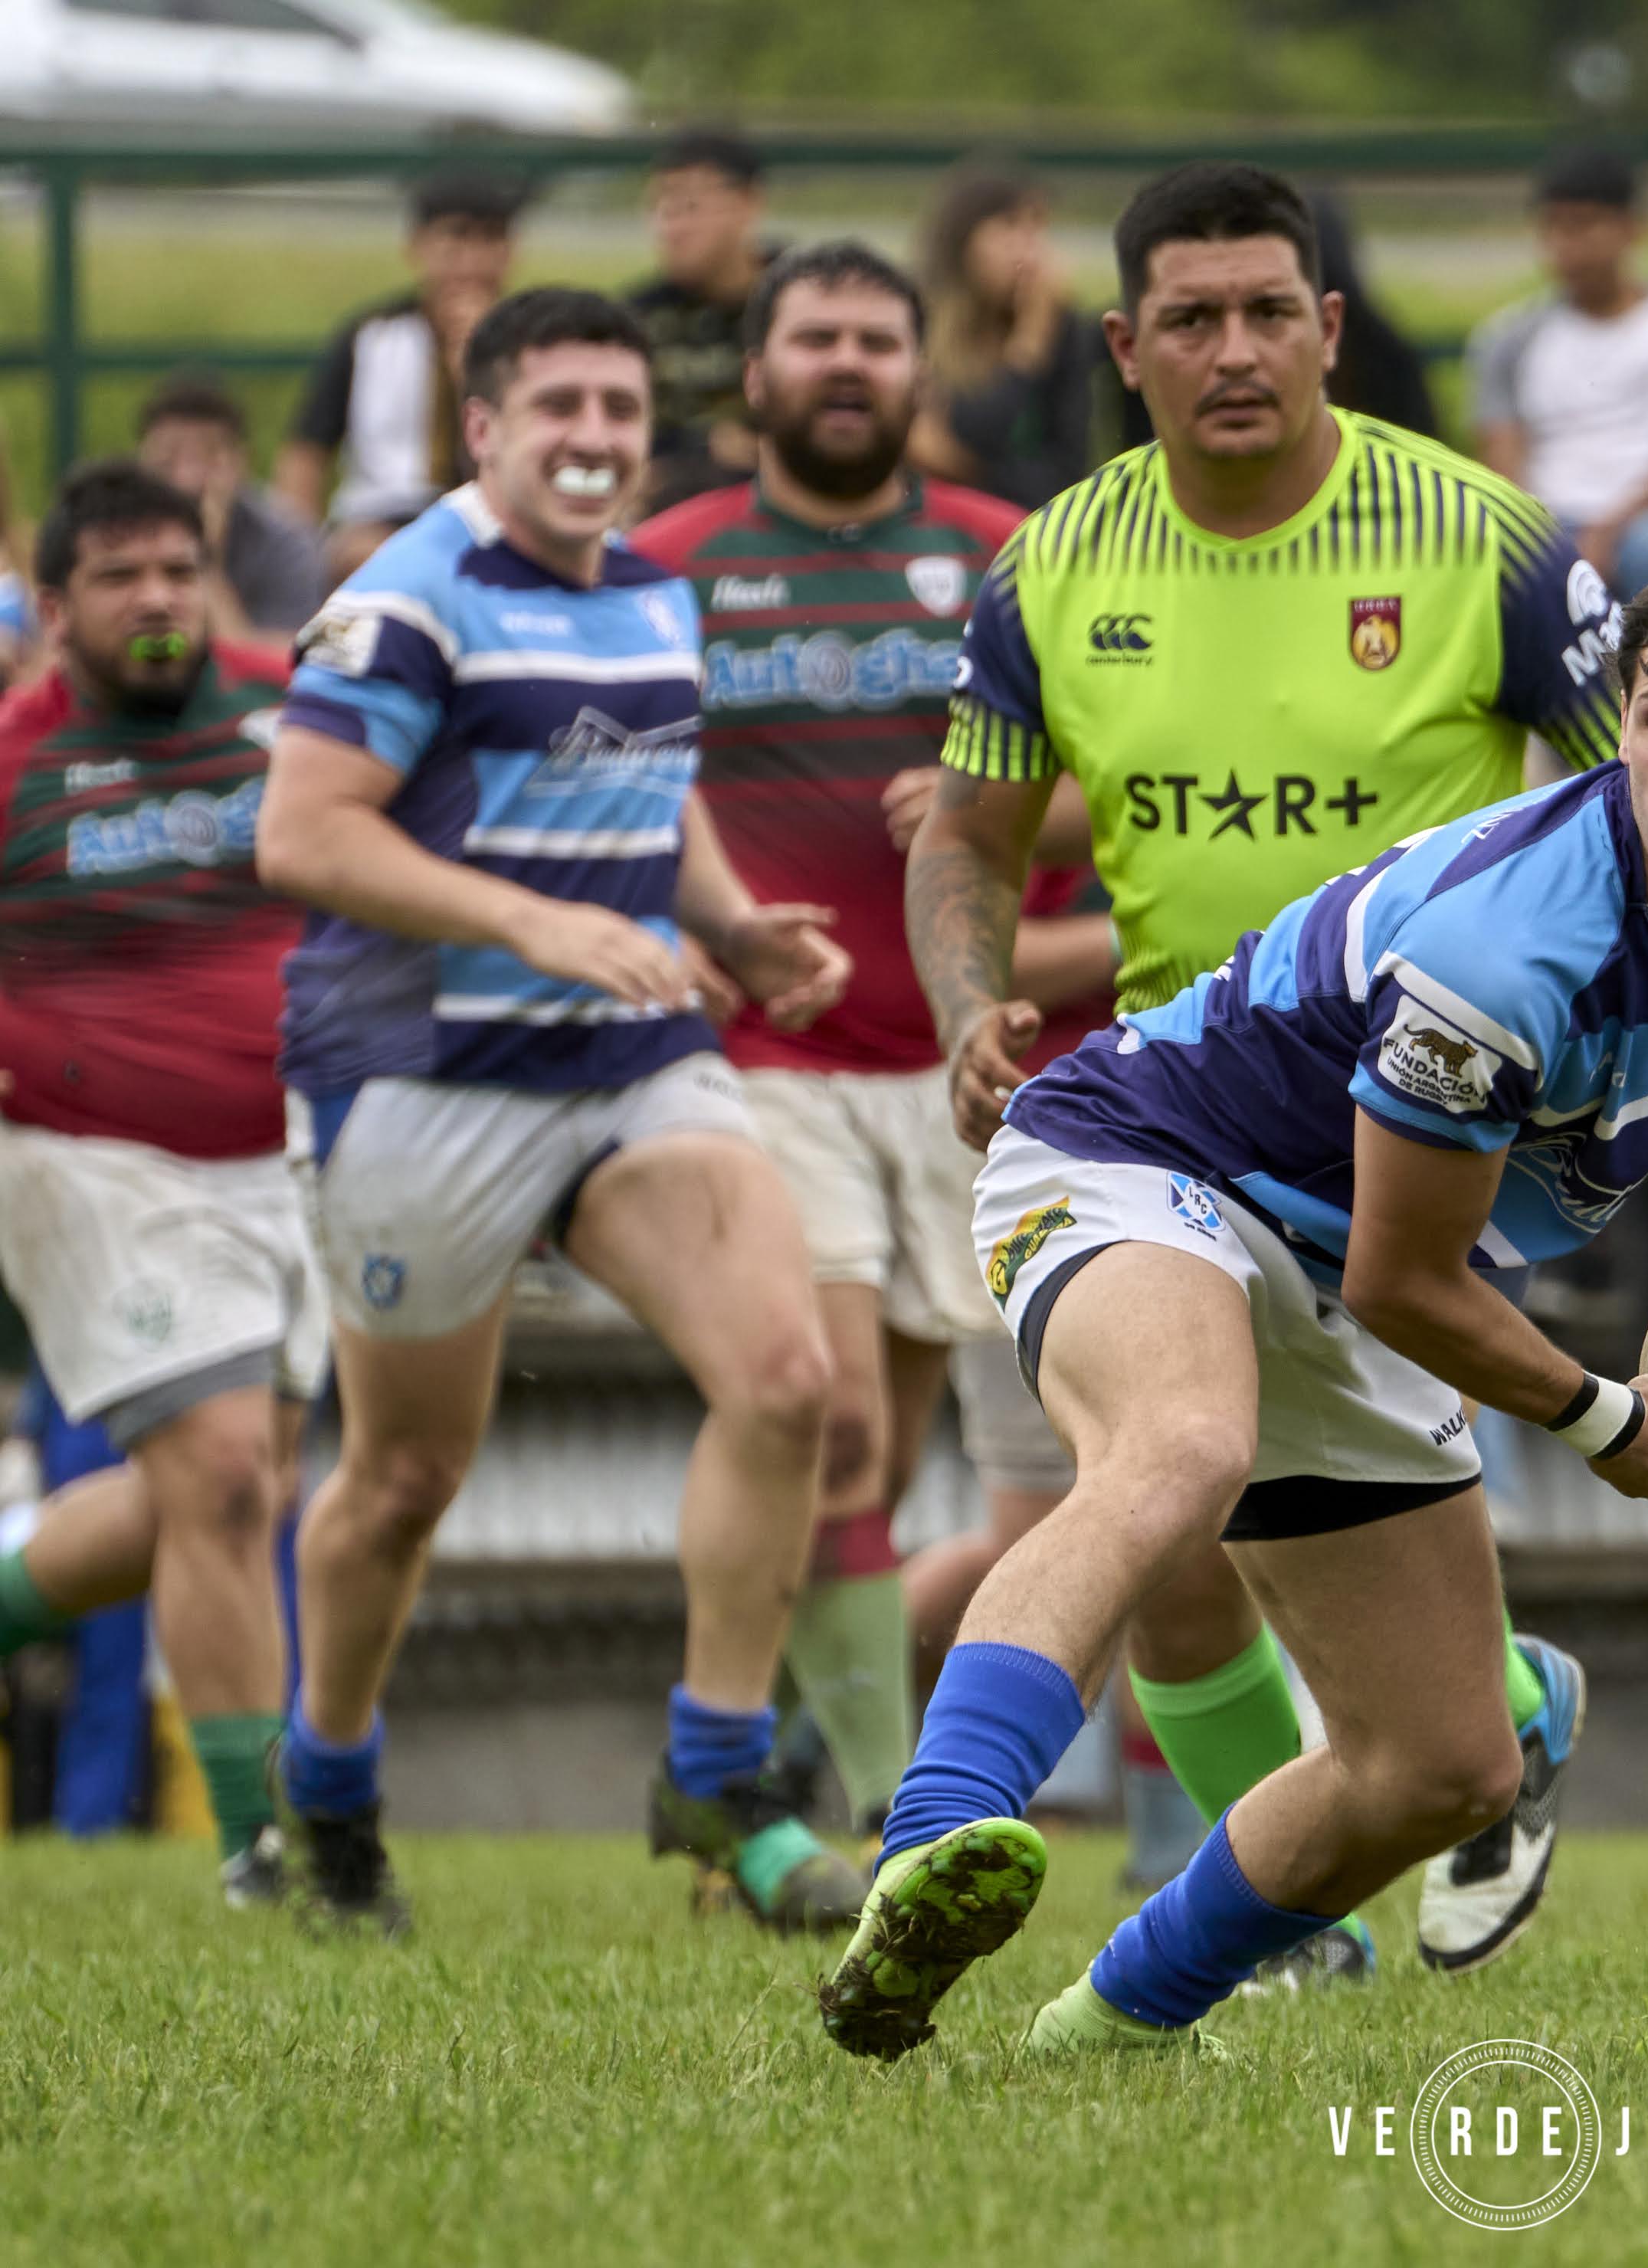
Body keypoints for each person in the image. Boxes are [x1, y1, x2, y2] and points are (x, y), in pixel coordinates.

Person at [817, 542, 1648, 2063]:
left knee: (1442, 1770)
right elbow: (1400, 1276)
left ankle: (1110, 2029)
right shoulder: (1512, 949)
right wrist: (1609, 1417)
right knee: (1184, 1443)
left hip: (1347, 1262)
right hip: (1147, 1159)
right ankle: (928, 1851)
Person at [908, 160, 1627, 1979]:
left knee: (1322, 1595)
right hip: (1174, 1120)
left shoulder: (1496, 543)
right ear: (1125, 345)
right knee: (1175, 1519)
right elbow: (968, 840)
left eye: (1266, 313)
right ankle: (1292, 1936)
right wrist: (966, 1000)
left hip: (1419, 1142)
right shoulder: (1052, 562)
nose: (1233, 350)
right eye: (1191, 319)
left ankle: (1505, 1709)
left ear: (1326, 327)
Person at [253, 287, 864, 1937]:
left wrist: (729, 927)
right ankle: (327, 1799)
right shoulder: (407, 602)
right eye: (559, 410)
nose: (596, 438)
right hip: (415, 1078)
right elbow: (303, 836)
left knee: (788, 1377)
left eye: (618, 408)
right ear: (483, 429)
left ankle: (717, 1773)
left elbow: (652, 791)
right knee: (403, 1480)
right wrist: (527, 919)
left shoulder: (658, 589)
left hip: (625, 1057)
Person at [636, 241, 1054, 1847]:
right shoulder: (659, 563)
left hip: (961, 1058)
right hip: (759, 1059)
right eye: (812, 337)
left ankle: (746, 1783)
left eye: (876, 340)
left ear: (916, 373)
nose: (846, 364)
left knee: (860, 1478)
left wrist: (991, 808)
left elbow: (1104, 775)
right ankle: (898, 1820)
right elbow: (597, 782)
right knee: (827, 1419)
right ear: (752, 374)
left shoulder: (1006, 554)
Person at [0, 462, 320, 1902]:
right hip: (86, 1162)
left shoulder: (292, 713)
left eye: (179, 571)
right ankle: (260, 1848)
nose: (159, 601)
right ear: (53, 608)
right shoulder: (12, 761)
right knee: (228, 1469)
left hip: (298, 1159)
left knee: (220, 1497)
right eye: (122, 577)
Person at [1471, 145, 1648, 601]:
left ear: (1632, 228)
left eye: (1583, 225)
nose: (1565, 246)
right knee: (1500, 555)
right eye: (1552, 227)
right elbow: (1502, 458)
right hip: (1548, 520)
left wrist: (1610, 529)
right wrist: (1548, 536)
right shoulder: (1508, 338)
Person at [274, 168, 523, 582]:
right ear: (418, 246)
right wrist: (299, 549)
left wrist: (474, 366)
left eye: (489, 240)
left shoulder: (533, 340)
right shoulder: (372, 335)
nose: (473, 261)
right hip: (382, 519)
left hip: (501, 511)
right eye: (457, 238)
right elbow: (306, 454)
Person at [908, 165, 1101, 513]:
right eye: (1010, 227)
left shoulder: (1056, 326)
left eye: (1039, 229)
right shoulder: (914, 320)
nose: (1030, 251)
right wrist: (1027, 352)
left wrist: (1031, 341)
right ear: (962, 239)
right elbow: (975, 434)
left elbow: (1068, 472)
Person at [627, 127, 781, 488]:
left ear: (748, 205)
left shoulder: (802, 304)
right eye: (660, 209)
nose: (672, 227)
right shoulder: (638, 318)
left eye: (690, 208)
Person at [136, 372, 326, 642]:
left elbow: (276, 665)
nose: (187, 479)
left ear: (242, 461)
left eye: (208, 459)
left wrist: (202, 557)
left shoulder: (287, 539)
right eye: (168, 460)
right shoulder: (109, 535)